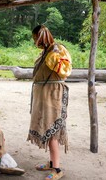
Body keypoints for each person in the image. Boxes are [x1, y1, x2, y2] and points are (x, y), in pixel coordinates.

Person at [27, 25, 72, 180]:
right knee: (46, 127)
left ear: (41, 37)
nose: (35, 42)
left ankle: (57, 169)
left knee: (52, 130)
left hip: (53, 95)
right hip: (45, 95)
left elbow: (64, 73)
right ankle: (52, 162)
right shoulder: (46, 52)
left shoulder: (56, 50)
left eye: (35, 38)